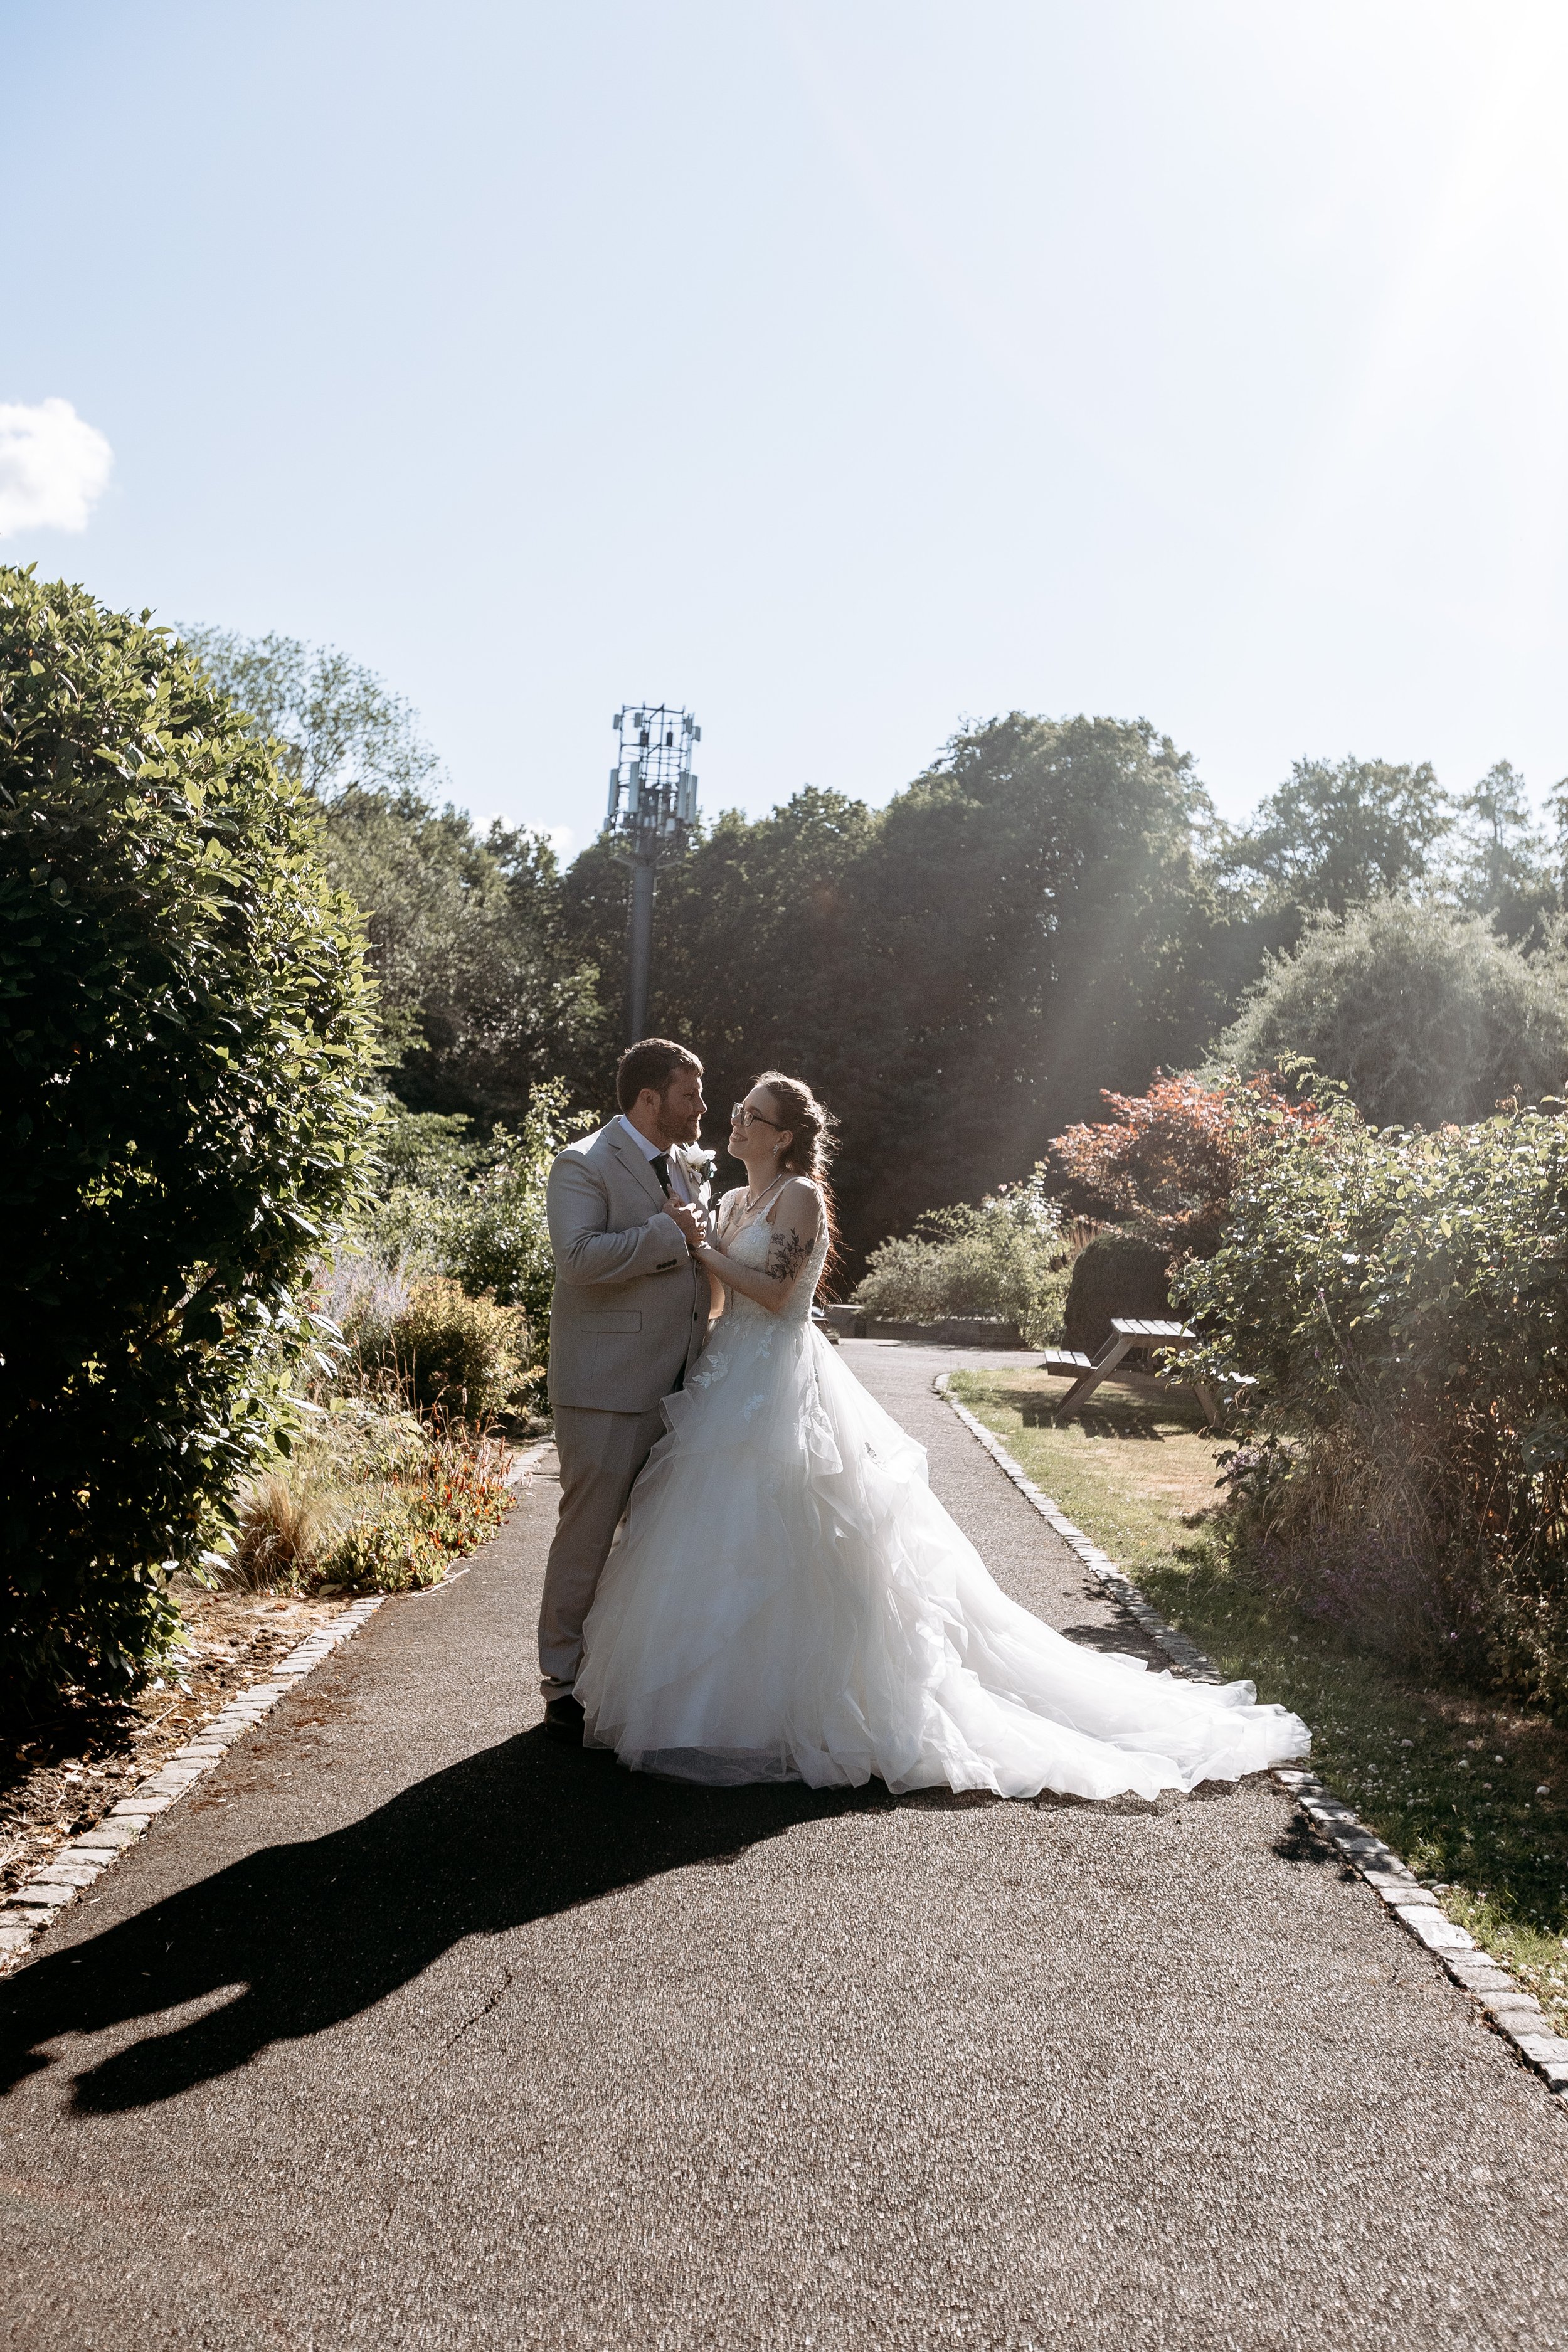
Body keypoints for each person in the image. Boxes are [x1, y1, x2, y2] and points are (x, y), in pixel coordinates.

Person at [574, 1071, 1311, 1799]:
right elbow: (718, 1295)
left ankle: (807, 1707)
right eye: (737, 1110)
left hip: (777, 1379)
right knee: (715, 1537)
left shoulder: (797, 1197)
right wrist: (692, 1256)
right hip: (725, 1374)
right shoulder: (734, 1198)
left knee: (792, 1532)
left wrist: (696, 1246)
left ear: (785, 1136)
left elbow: (769, 1293)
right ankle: (721, 1704)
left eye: (752, 1115)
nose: (735, 1121)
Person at [538, 1037, 713, 1740]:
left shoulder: (679, 1164)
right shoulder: (581, 1163)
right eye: (689, 1094)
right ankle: (561, 1679)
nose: (702, 1107)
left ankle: (623, 1671)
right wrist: (664, 1235)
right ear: (650, 1099)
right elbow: (576, 1260)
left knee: (652, 1541)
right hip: (606, 1387)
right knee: (586, 1534)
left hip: (679, 1384)